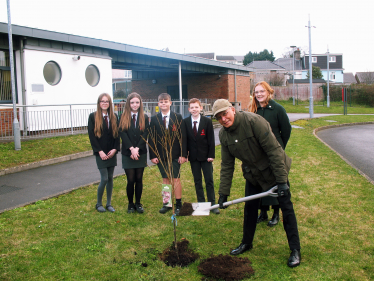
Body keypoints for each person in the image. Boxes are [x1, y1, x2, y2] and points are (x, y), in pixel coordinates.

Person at [213, 99, 301, 267]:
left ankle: (295, 250)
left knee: (286, 209)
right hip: (252, 174)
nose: (223, 119)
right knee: (250, 209)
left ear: (232, 110)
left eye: (225, 114)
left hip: (273, 171)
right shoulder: (224, 135)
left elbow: (274, 151)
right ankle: (247, 242)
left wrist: (282, 182)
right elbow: (226, 165)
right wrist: (223, 193)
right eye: (219, 117)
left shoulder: (254, 121)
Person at [248, 81, 292, 227]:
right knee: (260, 182)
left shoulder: (278, 109)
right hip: (258, 153)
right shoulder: (253, 110)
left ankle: (276, 214)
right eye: (256, 92)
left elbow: (286, 131)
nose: (259, 94)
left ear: (268, 92)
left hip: (274, 152)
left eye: (262, 91)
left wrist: (279, 149)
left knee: (276, 182)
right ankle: (263, 212)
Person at [149, 93, 187, 216]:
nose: (163, 103)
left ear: (170, 103)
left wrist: (183, 154)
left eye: (166, 101)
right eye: (161, 101)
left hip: (175, 154)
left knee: (175, 178)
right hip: (161, 155)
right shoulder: (154, 119)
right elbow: (151, 138)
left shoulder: (178, 117)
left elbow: (183, 137)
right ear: (158, 104)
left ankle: (179, 203)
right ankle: (167, 203)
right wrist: (153, 155)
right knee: (165, 179)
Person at [184, 98, 219, 214]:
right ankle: (202, 204)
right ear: (189, 109)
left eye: (196, 107)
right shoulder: (185, 122)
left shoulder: (207, 122)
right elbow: (184, 140)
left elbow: (211, 140)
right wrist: (185, 155)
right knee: (197, 181)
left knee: (209, 180)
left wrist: (211, 155)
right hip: (193, 157)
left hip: (205, 157)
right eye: (192, 108)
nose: (194, 109)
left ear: (201, 108)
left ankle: (213, 204)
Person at [88, 93, 120, 213]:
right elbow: (92, 136)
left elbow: (117, 136)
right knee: (104, 178)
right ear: (99, 103)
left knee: (111, 178)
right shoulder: (93, 116)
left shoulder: (114, 116)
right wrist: (99, 151)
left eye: (107, 101)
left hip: (112, 152)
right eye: (102, 101)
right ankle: (98, 204)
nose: (105, 103)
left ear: (109, 103)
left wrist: (115, 149)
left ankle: (108, 204)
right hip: (100, 153)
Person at [119, 93, 149, 214]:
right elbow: (122, 133)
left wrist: (137, 149)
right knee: (130, 180)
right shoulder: (122, 117)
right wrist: (131, 148)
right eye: (132, 102)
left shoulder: (145, 117)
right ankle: (130, 204)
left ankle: (138, 203)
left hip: (140, 152)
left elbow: (146, 133)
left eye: (137, 102)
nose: (135, 105)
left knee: (139, 179)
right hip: (128, 153)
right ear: (128, 104)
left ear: (140, 103)